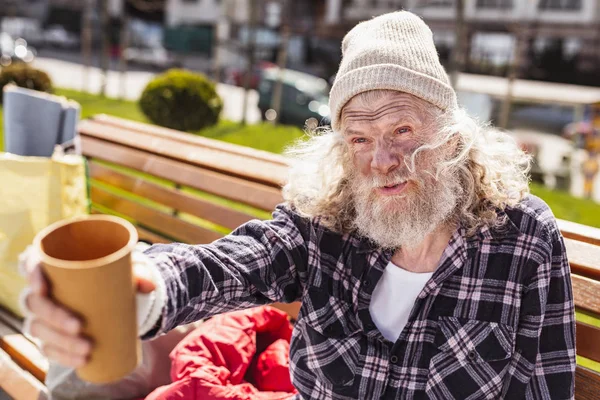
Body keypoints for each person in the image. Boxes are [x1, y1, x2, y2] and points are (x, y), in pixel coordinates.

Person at [20, 11, 575, 399]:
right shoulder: (327, 222)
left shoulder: (521, 239)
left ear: (452, 136)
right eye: (358, 137)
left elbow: (548, 385)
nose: (381, 159)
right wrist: (144, 282)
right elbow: (235, 262)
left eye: (402, 128)